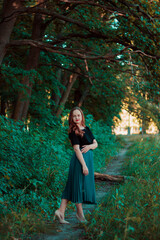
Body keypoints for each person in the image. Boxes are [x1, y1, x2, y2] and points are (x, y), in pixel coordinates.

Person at [54, 107, 98, 224]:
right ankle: (80, 214)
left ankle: (60, 212)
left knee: (71, 185)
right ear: (71, 118)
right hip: (79, 162)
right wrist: (84, 165)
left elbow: (95, 143)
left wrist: (89, 147)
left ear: (82, 116)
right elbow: (77, 150)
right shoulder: (73, 132)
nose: (76, 118)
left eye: (78, 115)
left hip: (87, 160)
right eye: (74, 116)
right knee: (78, 185)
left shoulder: (87, 129)